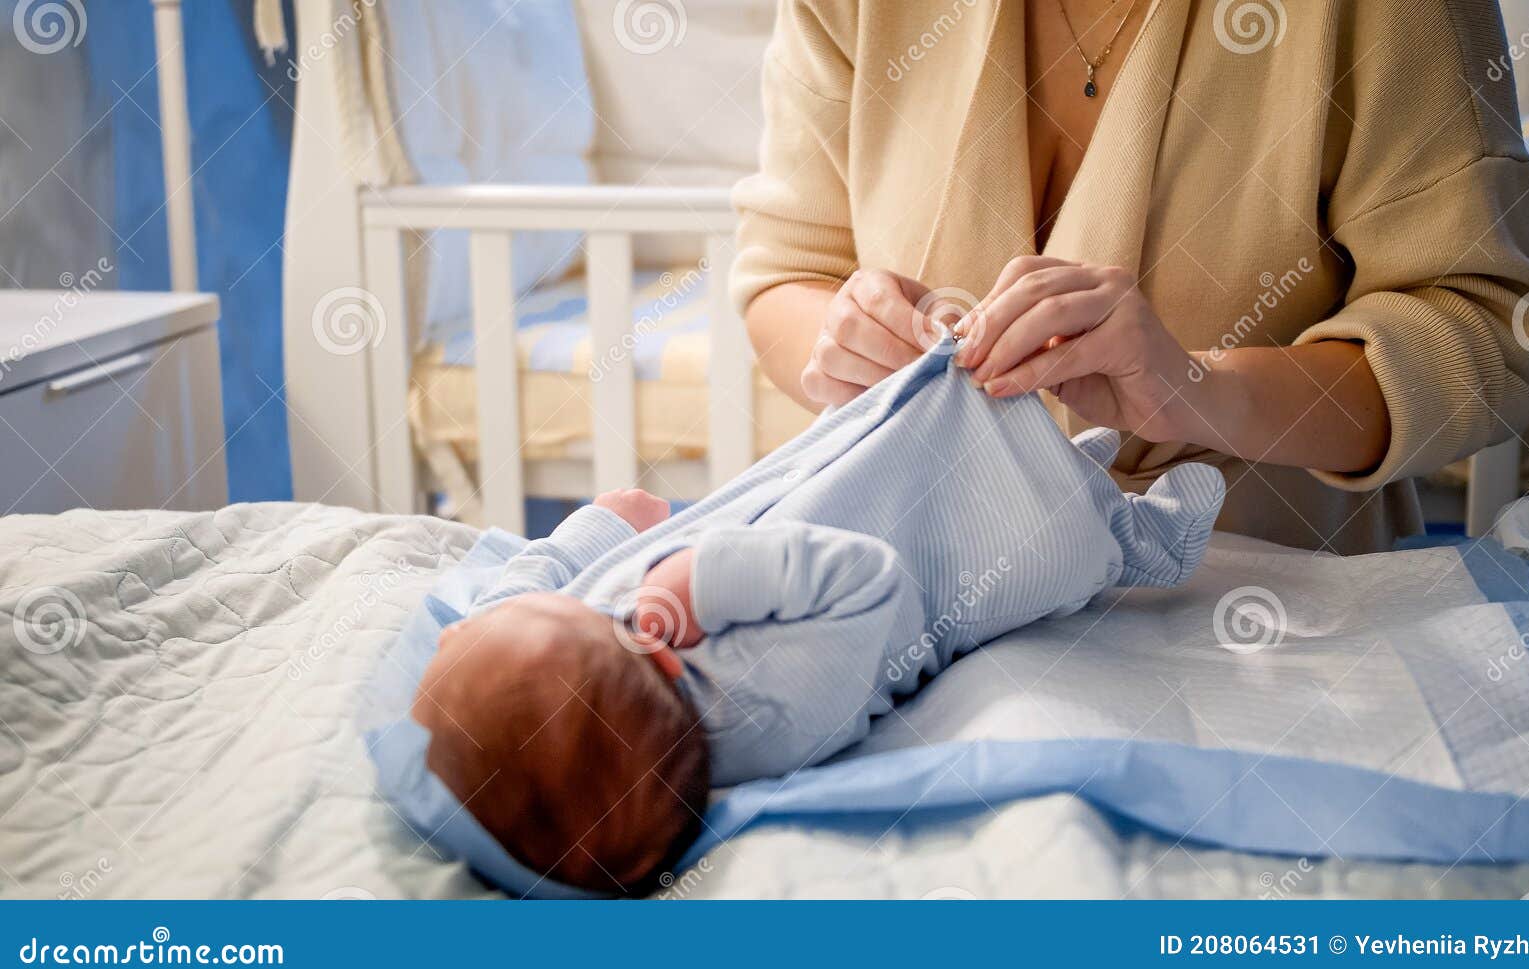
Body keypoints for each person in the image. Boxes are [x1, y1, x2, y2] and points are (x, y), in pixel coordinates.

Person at [734, 0, 1529, 554]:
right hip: (916, 591)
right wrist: (846, 341)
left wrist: (1206, 390)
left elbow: (1484, 326)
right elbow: (786, 273)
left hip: (1272, 616)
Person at [410, 335, 1226, 895]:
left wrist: (598, 527)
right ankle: (1147, 535)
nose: (458, 631)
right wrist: (702, 579)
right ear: (656, 658)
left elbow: (521, 602)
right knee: (1053, 532)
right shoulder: (772, 712)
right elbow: (870, 583)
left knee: (905, 427)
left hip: (838, 482)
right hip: (948, 554)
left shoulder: (566, 666)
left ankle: (1080, 467)